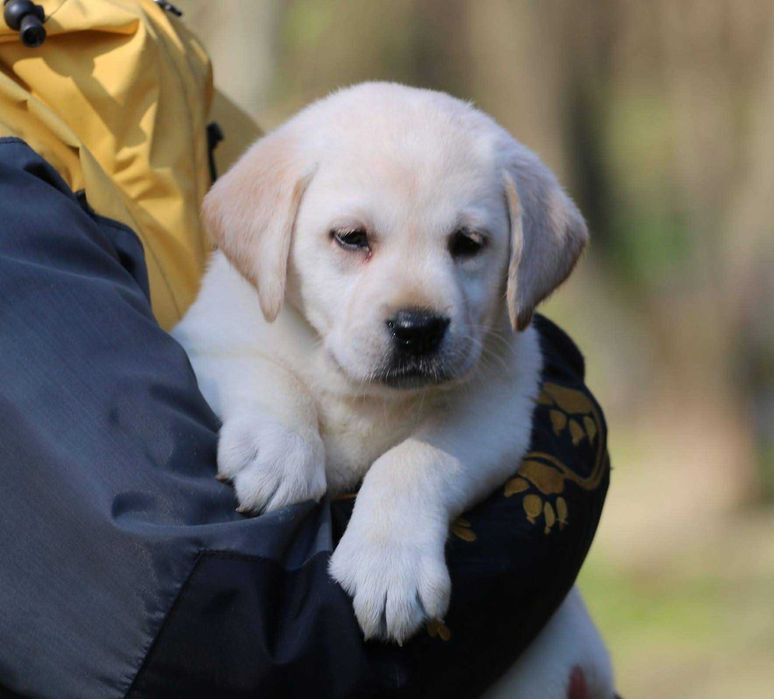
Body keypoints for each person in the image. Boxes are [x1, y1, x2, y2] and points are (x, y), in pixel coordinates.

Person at [0, 2, 610, 697]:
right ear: (273, 240)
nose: (418, 310)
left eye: (466, 244)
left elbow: (502, 407)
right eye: (354, 239)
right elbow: (213, 357)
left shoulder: (164, 62)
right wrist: (277, 411)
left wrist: (411, 492)